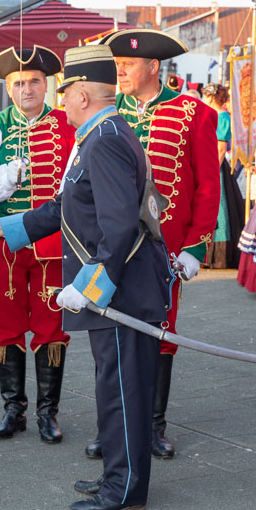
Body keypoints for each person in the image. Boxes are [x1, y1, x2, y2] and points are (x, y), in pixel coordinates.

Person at [0, 44, 172, 510]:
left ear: (80, 95)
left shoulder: (105, 139)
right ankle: (117, 474)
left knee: (122, 391)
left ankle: (123, 489)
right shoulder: (101, 134)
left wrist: (91, 287)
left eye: (64, 93)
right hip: (120, 290)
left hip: (122, 293)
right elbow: (62, 208)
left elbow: (119, 227)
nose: (60, 102)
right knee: (113, 387)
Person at [92, 28, 221, 460]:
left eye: (127, 65)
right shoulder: (106, 112)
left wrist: (195, 247)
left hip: (164, 251)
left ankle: (152, 425)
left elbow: (208, 187)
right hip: (111, 247)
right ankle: (112, 427)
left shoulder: (194, 113)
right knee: (109, 334)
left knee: (161, 334)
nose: (120, 72)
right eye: (117, 65)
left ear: (152, 66)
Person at [0, 46, 75, 442]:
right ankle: (13, 409)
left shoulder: (68, 123)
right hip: (4, 246)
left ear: (47, 85)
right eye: (18, 83)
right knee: (5, 326)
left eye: (33, 81)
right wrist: (10, 175)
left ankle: (48, 413)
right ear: (8, 89)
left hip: (53, 244)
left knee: (52, 327)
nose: (26, 89)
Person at [202, 84, 245, 269]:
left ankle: (219, 255)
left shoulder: (222, 117)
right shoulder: (214, 115)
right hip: (209, 164)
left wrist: (211, 171)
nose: (204, 100)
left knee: (219, 208)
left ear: (211, 98)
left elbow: (220, 149)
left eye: (206, 96)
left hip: (216, 166)